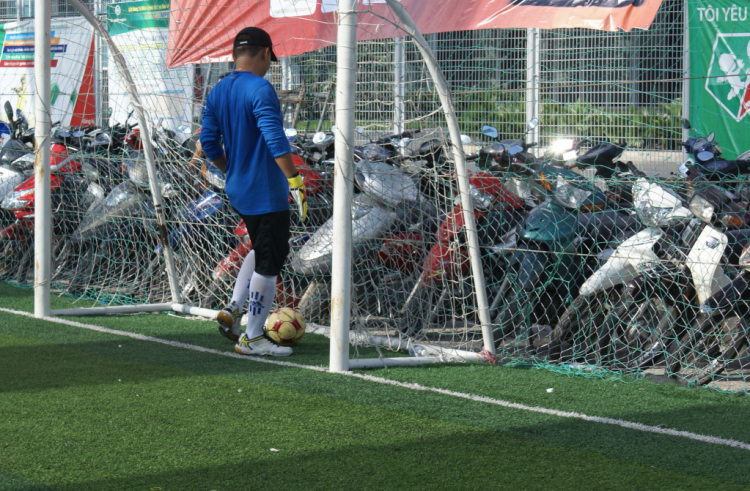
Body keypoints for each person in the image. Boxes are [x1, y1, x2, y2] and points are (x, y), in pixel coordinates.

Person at [200, 27, 307, 357]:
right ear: (264, 54)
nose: (269, 66)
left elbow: (207, 143)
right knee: (270, 261)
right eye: (270, 60)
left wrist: (231, 170)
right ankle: (254, 336)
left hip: (239, 189)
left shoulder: (218, 90)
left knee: (258, 248)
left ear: (235, 55)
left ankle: (233, 309)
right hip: (266, 190)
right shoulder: (261, 88)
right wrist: (294, 180)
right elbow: (276, 141)